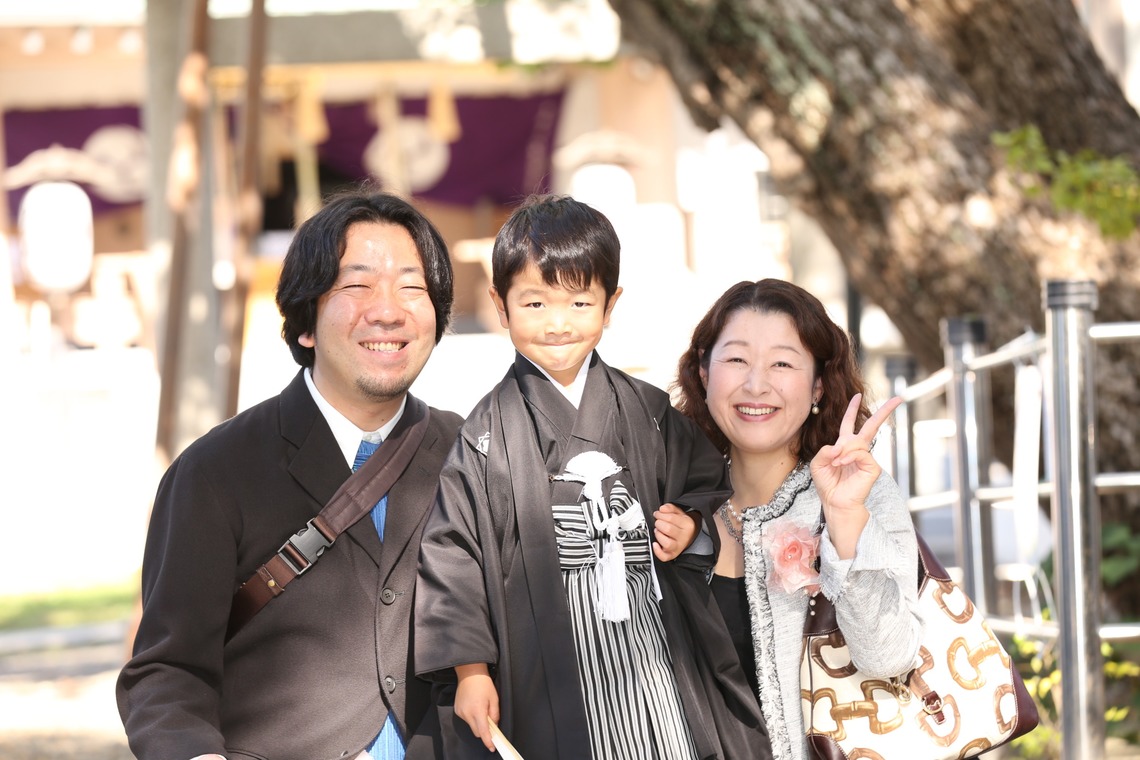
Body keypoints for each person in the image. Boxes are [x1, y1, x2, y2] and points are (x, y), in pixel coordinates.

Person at [414, 194, 770, 760]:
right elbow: (454, 554)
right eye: (533, 303)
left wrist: (692, 526)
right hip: (551, 647)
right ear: (500, 307)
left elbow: (707, 484)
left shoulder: (648, 411)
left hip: (650, 635)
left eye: (579, 302)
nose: (557, 323)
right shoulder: (485, 435)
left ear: (610, 306)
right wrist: (471, 671)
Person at [117, 190, 464, 760]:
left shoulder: (470, 452)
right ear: (305, 323)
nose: (388, 310)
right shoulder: (214, 472)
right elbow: (166, 669)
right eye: (357, 286)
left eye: (412, 286)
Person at [673, 278, 924, 760]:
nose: (756, 384)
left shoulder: (861, 490)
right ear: (704, 372)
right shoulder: (670, 493)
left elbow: (891, 657)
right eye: (736, 359)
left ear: (817, 385)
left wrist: (847, 523)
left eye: (782, 363)